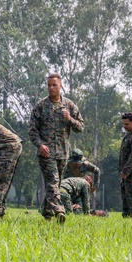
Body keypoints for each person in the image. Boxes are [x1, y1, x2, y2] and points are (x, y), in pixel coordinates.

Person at [29, 74, 85, 223]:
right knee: (53, 181)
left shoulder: (69, 105)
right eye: (49, 85)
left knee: (55, 184)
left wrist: (70, 120)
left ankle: (47, 215)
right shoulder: (40, 106)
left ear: (60, 86)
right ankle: (59, 211)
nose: (51, 88)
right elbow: (32, 130)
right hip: (46, 153)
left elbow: (80, 127)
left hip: (63, 153)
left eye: (54, 85)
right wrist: (39, 145)